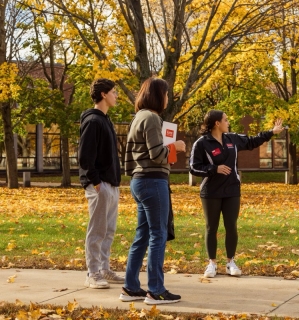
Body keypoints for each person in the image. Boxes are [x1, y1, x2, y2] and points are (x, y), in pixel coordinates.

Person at [189, 110, 284, 278]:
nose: (228, 122)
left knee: (231, 226)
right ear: (217, 123)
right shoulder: (202, 143)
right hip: (210, 191)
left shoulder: (232, 139)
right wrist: (214, 169)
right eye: (225, 120)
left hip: (232, 190)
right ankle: (211, 263)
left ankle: (230, 262)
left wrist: (271, 132)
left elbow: (252, 141)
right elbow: (193, 167)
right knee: (211, 227)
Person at [120, 77, 186, 305]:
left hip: (139, 180)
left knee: (143, 235)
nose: (168, 98)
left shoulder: (138, 117)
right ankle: (156, 290)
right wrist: (175, 147)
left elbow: (132, 156)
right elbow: (158, 153)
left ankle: (130, 287)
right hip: (153, 182)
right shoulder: (152, 118)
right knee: (158, 235)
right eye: (166, 94)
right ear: (159, 95)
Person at [78, 78, 124, 289]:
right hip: (100, 185)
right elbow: (85, 157)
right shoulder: (93, 121)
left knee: (109, 230)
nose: (116, 96)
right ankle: (93, 272)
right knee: (97, 230)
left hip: (111, 184)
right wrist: (97, 183)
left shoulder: (106, 120)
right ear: (104, 94)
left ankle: (104, 268)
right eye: (114, 92)